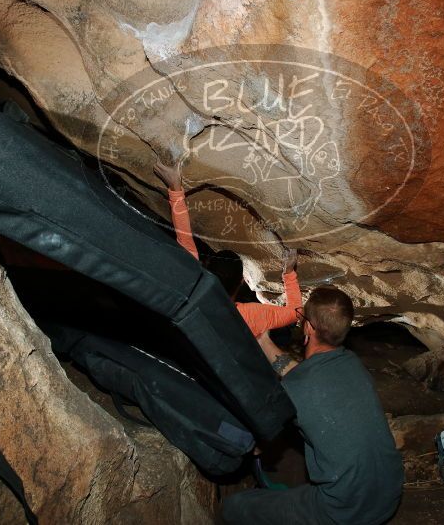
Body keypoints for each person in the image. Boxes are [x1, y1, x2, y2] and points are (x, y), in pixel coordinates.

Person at [221, 287, 404, 525]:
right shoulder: (352, 364)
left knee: (234, 507)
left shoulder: (294, 392)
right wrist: (264, 341)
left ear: (307, 327)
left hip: (343, 511)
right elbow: (303, 377)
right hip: (389, 494)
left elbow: (254, 447)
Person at [154, 159, 302, 337]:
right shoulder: (248, 317)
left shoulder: (189, 286)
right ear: (242, 281)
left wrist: (175, 187)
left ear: (206, 265)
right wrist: (289, 272)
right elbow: (295, 312)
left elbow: (184, 238)